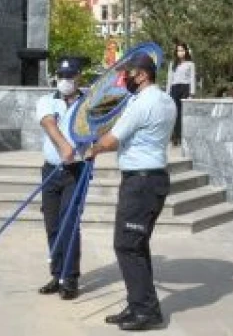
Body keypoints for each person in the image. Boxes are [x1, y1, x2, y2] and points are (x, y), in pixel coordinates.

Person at [85, 52, 175, 332]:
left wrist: (93, 147)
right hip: (153, 179)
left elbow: (112, 140)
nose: (125, 79)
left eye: (129, 74)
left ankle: (145, 312)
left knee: (126, 245)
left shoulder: (142, 104)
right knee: (137, 244)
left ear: (143, 75)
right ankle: (139, 304)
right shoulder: (166, 100)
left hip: (141, 183)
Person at [36, 58, 85, 300]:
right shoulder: (47, 100)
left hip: (76, 172)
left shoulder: (88, 105)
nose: (66, 81)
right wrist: (64, 146)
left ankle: (71, 279)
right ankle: (57, 275)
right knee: (52, 225)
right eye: (62, 76)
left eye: (70, 76)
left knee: (70, 224)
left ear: (79, 77)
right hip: (51, 170)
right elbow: (48, 123)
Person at [167, 42, 196, 147]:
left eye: (182, 50)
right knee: (175, 113)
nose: (180, 52)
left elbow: (192, 78)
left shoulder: (190, 64)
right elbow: (169, 79)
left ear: (186, 51)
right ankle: (175, 136)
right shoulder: (173, 64)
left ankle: (184, 136)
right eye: (178, 50)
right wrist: (167, 93)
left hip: (185, 88)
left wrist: (192, 93)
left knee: (184, 112)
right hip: (174, 88)